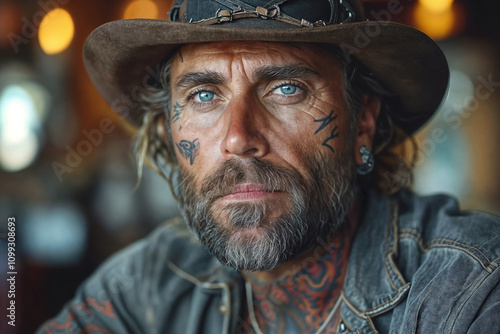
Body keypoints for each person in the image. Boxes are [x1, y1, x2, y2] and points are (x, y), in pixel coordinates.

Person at [38, 0, 500, 333]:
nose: (239, 138)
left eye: (286, 89)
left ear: (363, 122)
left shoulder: (469, 288)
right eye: (204, 95)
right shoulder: (148, 283)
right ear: (166, 133)